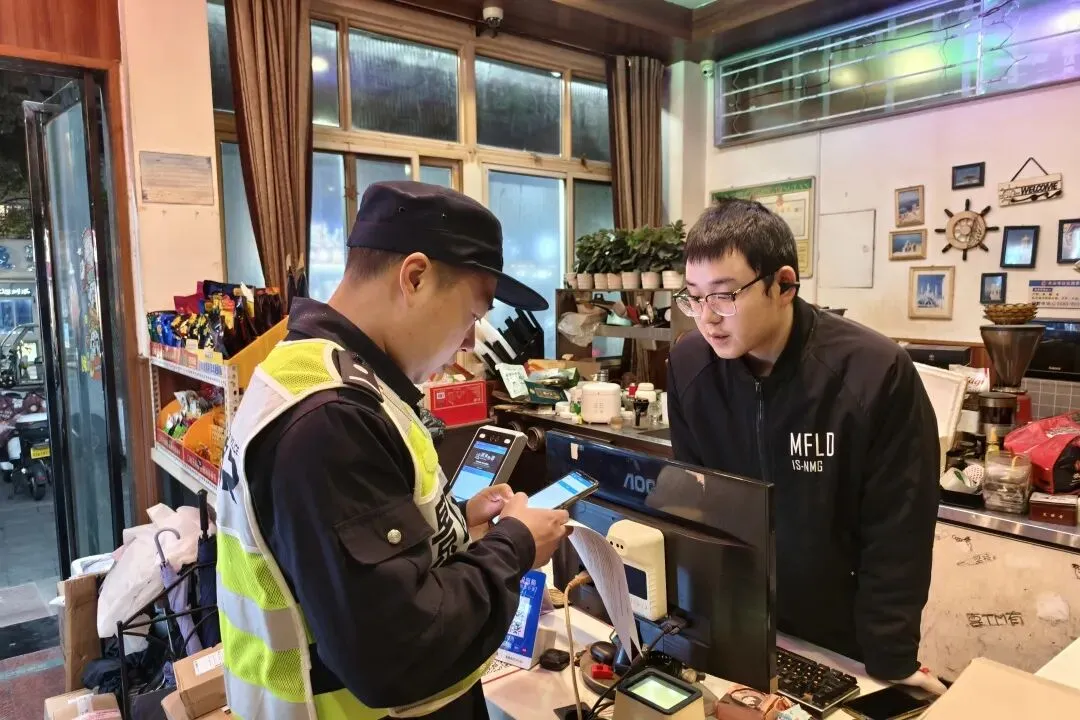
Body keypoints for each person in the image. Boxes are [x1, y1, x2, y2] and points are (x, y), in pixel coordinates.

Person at [216, 181, 571, 719]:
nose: (470, 342)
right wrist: (516, 545)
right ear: (416, 277)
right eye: (472, 316)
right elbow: (399, 652)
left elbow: (353, 562)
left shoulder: (322, 377)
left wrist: (456, 521)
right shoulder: (329, 420)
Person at [666, 199, 944, 693]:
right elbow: (694, 502)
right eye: (694, 297)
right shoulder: (691, 364)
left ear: (784, 285)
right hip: (735, 620)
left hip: (840, 635)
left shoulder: (873, 372)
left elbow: (899, 529)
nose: (707, 319)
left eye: (724, 296)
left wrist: (890, 658)